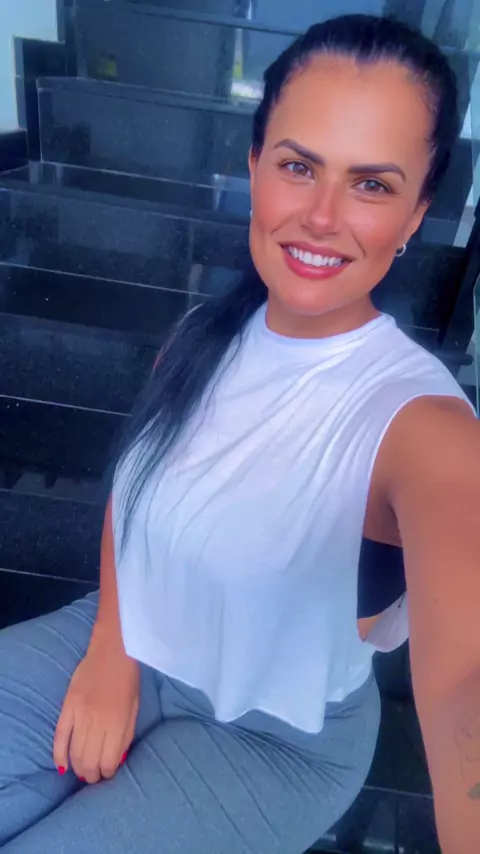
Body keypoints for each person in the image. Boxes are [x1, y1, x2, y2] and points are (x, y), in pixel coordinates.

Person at [0, 13, 479, 854]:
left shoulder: (427, 429)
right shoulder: (199, 336)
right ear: (255, 167)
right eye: (299, 166)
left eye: (372, 184)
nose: (323, 216)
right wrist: (113, 643)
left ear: (415, 215)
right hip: (129, 634)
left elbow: (464, 682)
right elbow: (135, 495)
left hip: (277, 741)